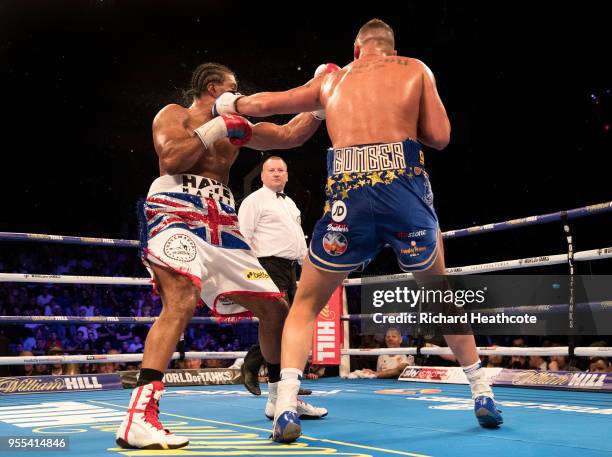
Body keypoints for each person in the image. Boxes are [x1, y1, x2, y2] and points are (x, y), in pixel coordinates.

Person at [214, 19, 503, 442]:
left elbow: (268, 103)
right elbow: (440, 137)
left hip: (349, 191)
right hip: (403, 186)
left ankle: (286, 405)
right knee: (440, 293)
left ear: (356, 49)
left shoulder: (333, 80)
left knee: (306, 303)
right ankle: (481, 391)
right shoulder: (415, 69)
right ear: (390, 48)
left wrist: (230, 102)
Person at [115, 62, 326, 450]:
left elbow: (287, 135)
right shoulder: (174, 115)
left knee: (275, 308)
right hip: (176, 210)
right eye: (233, 86)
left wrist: (320, 101)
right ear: (214, 88)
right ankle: (139, 418)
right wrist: (216, 127)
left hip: (223, 222)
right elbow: (173, 159)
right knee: (181, 300)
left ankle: (281, 401)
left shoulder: (237, 127)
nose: (238, 93)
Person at [237, 156, 309, 397]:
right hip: (266, 265)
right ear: (263, 175)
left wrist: (306, 265)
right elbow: (243, 237)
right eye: (271, 170)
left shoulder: (291, 204)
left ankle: (281, 380)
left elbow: (297, 239)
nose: (277, 174)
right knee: (276, 321)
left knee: (290, 324)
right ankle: (266, 374)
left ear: (287, 175)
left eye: (281, 170)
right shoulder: (253, 201)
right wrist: (249, 272)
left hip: (290, 269)